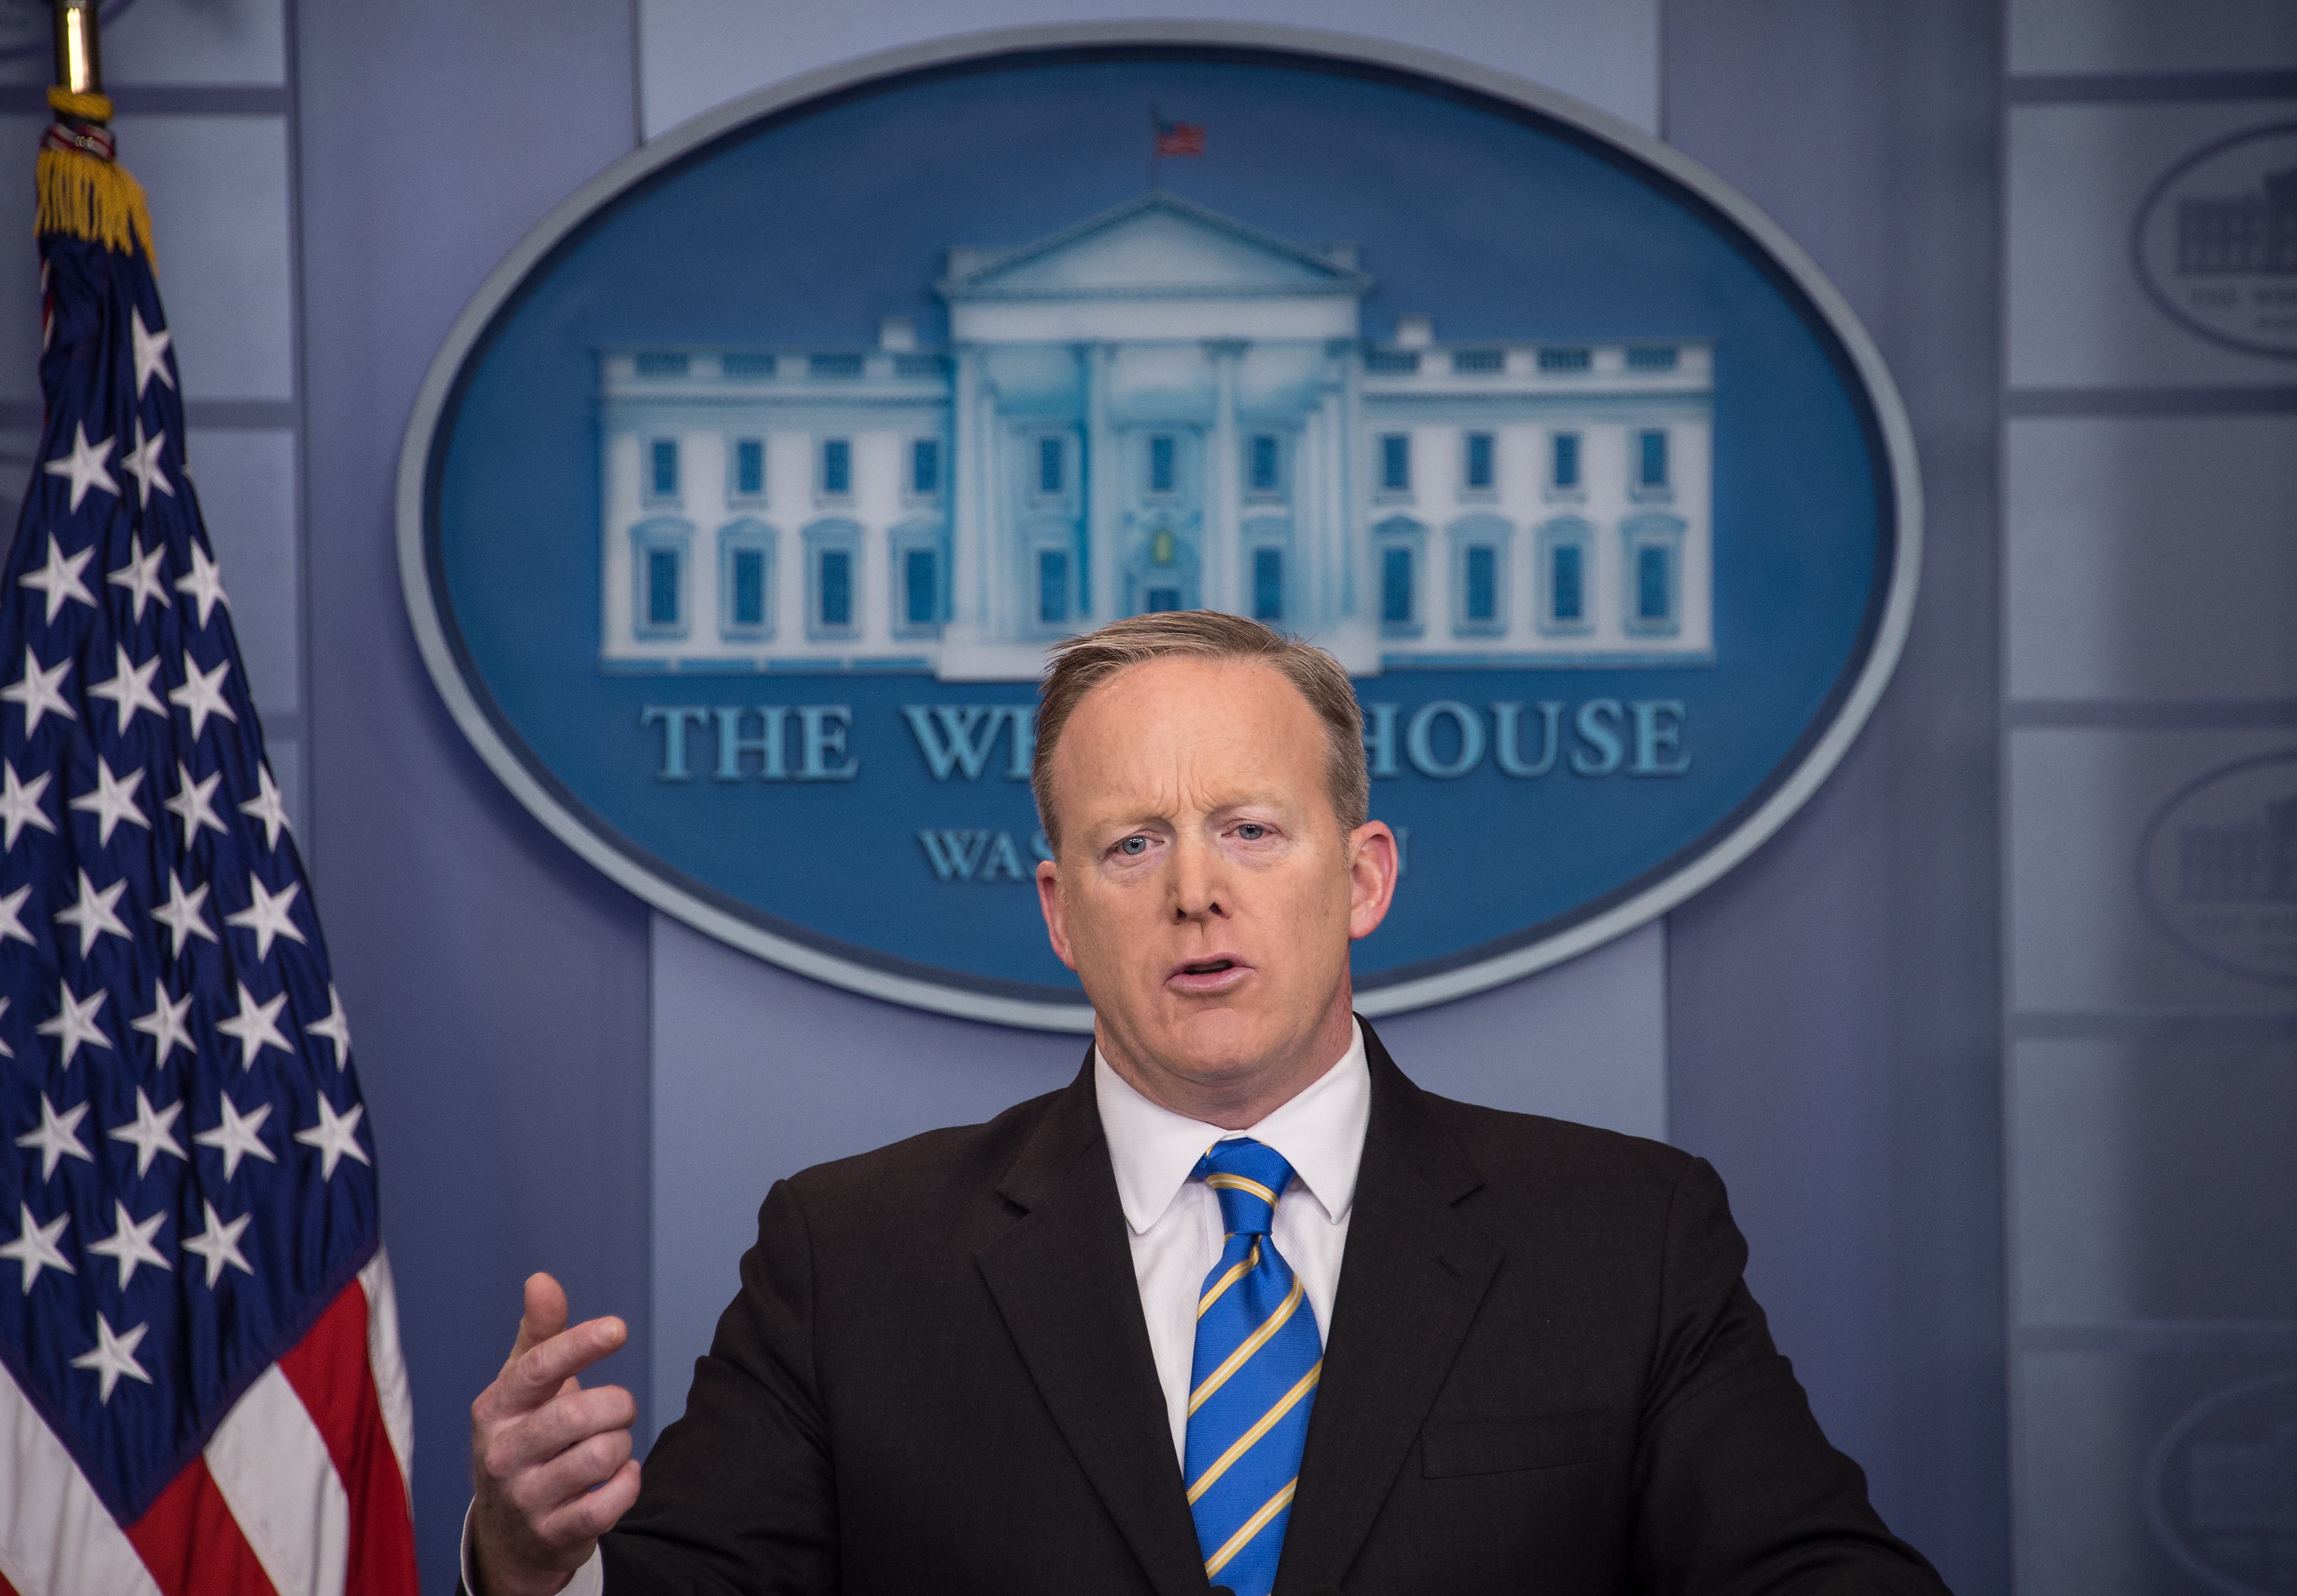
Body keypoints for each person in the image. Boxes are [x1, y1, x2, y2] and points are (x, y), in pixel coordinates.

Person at [463, 611, 1950, 1596]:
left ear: (1362, 873)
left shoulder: (1626, 1238)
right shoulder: (848, 1259)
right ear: (1057, 909)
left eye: (1250, 827)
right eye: (1131, 846)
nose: (1195, 892)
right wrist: (533, 1568)